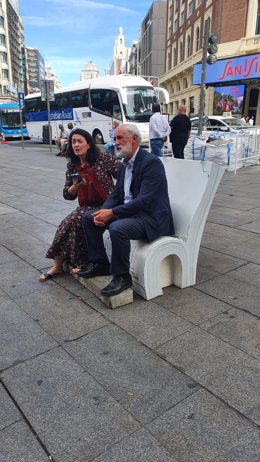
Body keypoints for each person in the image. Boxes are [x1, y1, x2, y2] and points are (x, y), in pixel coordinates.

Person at [78, 123, 174, 297]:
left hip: (151, 219)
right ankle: (100, 264)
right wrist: (103, 212)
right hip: (132, 214)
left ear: (134, 139)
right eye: (114, 138)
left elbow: (144, 201)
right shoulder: (123, 164)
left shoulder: (150, 163)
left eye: (120, 138)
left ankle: (122, 277)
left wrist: (112, 213)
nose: (115, 142)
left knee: (118, 228)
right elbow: (116, 194)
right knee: (88, 217)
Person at [39, 128, 119, 282]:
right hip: (86, 206)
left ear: (88, 144)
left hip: (106, 204)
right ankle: (58, 264)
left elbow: (121, 175)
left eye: (79, 141)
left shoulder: (103, 158)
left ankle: (82, 262)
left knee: (77, 220)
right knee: (65, 223)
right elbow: (67, 195)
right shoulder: (72, 166)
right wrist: (75, 186)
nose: (76, 145)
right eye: (73, 142)